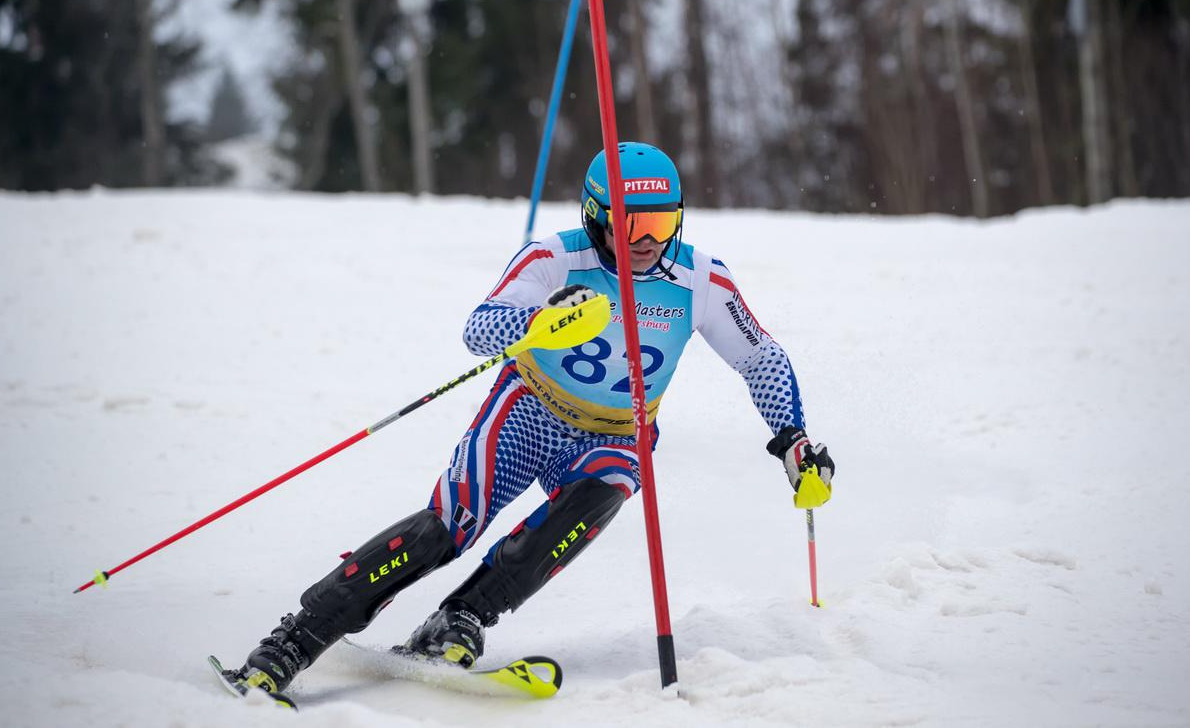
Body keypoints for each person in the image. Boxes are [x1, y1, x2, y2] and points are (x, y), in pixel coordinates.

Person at [224, 142, 835, 696]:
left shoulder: (700, 278)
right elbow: (479, 327)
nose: (647, 241)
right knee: (450, 526)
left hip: (619, 431)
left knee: (606, 490)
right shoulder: (555, 258)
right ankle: (294, 641)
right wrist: (537, 324)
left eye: (662, 222)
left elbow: (762, 358)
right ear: (595, 215)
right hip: (529, 411)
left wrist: (793, 441)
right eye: (630, 224)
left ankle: (462, 617)